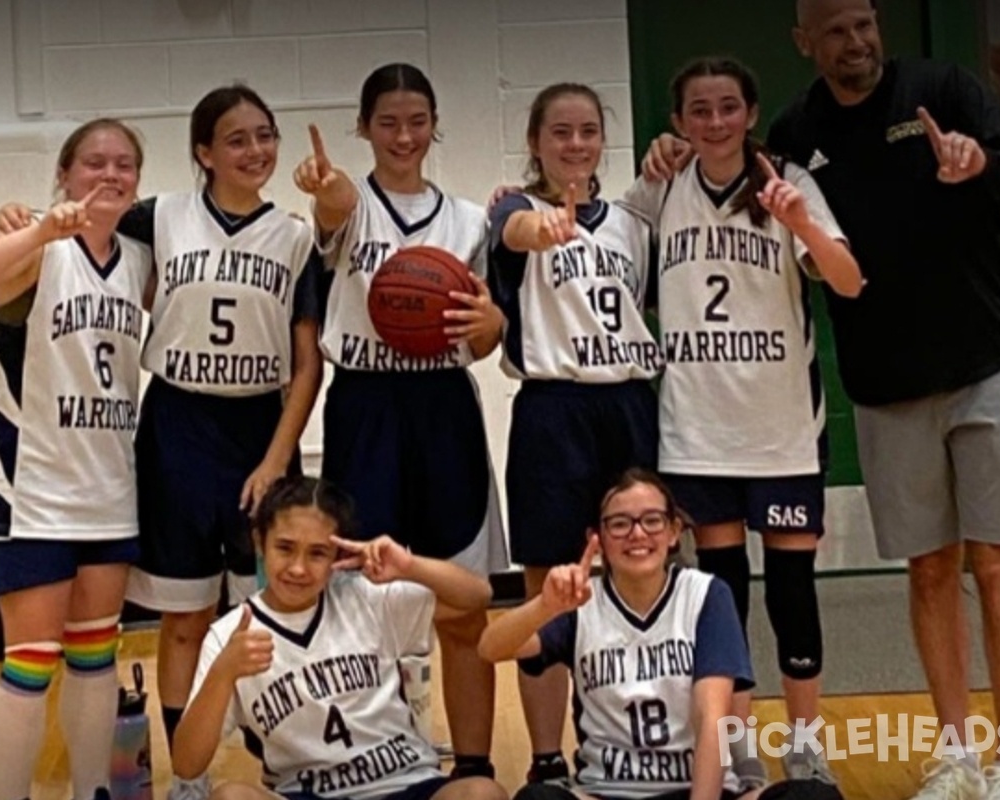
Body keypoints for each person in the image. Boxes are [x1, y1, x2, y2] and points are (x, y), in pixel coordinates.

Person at [649, 2, 1000, 798]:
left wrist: (982, 164)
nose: (857, 40)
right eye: (835, 28)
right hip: (887, 383)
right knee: (930, 570)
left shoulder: (943, 86)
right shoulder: (797, 136)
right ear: (807, 42)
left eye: (866, 21)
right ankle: (955, 753)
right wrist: (669, 150)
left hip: (991, 358)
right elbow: (731, 163)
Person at [0, 85, 324, 799]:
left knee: (280, 608)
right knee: (184, 618)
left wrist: (274, 459)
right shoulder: (158, 218)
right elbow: (89, 223)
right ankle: (190, 776)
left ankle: (291, 761)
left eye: (265, 135)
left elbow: (308, 363)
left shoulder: (295, 238)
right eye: (236, 139)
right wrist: (16, 219)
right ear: (203, 153)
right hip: (176, 425)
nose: (255, 151)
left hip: (259, 427)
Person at [624, 56, 863, 791]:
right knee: (720, 595)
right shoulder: (660, 187)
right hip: (698, 429)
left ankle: (805, 744)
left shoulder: (789, 180)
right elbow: (596, 240)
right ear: (678, 123)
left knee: (793, 591)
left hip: (780, 427)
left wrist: (801, 224)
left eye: (729, 107)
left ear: (751, 113)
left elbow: (851, 282)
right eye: (699, 110)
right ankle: (733, 745)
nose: (716, 122)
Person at [293, 62, 507, 779]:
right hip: (365, 404)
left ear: (435, 124)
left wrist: (491, 322)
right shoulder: (349, 209)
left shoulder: (470, 220)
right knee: (363, 597)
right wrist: (326, 192)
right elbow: (333, 205)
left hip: (444, 406)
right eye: (387, 122)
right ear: (363, 128)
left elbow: (483, 342)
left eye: (417, 121)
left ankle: (473, 765)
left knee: (460, 605)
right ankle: (377, 758)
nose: (404, 135)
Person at [0, 118, 151, 800]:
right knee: (30, 661)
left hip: (109, 488)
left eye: (125, 164)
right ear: (64, 173)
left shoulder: (139, 259)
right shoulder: (35, 245)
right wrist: (33, 231)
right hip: (30, 491)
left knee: (96, 658)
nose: (111, 174)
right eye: (94, 162)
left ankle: (91, 790)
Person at [486, 82, 661, 786]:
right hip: (552, 410)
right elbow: (514, 233)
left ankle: (625, 743)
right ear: (536, 142)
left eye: (588, 130)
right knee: (546, 586)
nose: (576, 144)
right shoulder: (513, 206)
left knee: (638, 575)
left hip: (627, 405)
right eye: (560, 132)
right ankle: (546, 761)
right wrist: (542, 229)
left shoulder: (631, 224)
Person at [171, 475, 507, 800]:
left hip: (405, 783)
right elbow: (187, 765)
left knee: (482, 793)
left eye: (317, 553)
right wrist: (223, 673)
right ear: (260, 542)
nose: (299, 568)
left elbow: (478, 595)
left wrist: (409, 566)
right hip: (305, 793)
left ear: (338, 555)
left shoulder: (367, 597)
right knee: (230, 797)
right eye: (285, 548)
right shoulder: (230, 635)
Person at [478, 468, 769, 800]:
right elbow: (490, 648)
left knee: (811, 794)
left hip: (696, 789)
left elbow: (713, 718)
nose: (637, 533)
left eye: (652, 520)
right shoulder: (583, 603)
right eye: (619, 524)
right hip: (608, 791)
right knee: (537, 798)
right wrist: (544, 606)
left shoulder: (706, 595)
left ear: (674, 531)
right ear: (597, 540)